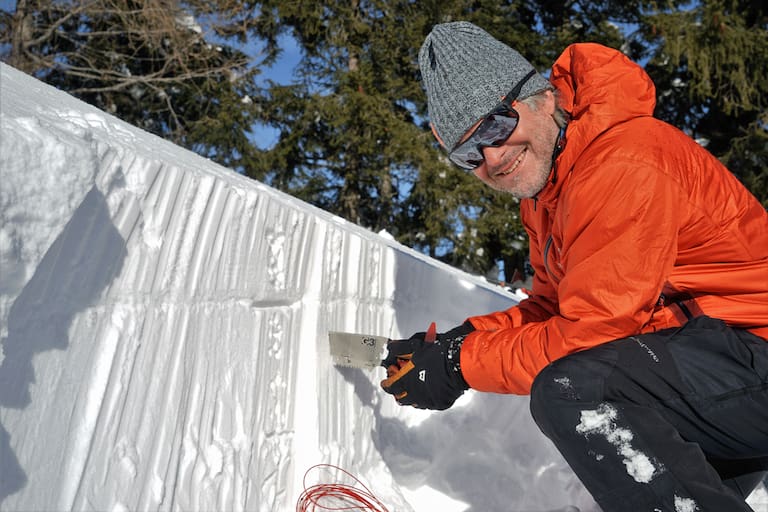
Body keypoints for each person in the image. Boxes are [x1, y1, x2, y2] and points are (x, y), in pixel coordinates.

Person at [380, 21, 768, 511]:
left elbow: (591, 334)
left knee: (574, 390)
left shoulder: (621, 162)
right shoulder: (549, 190)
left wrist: (460, 366)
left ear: (540, 97)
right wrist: (464, 338)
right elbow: (553, 307)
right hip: (715, 362)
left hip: (750, 353)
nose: (493, 157)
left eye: (497, 126)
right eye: (466, 152)